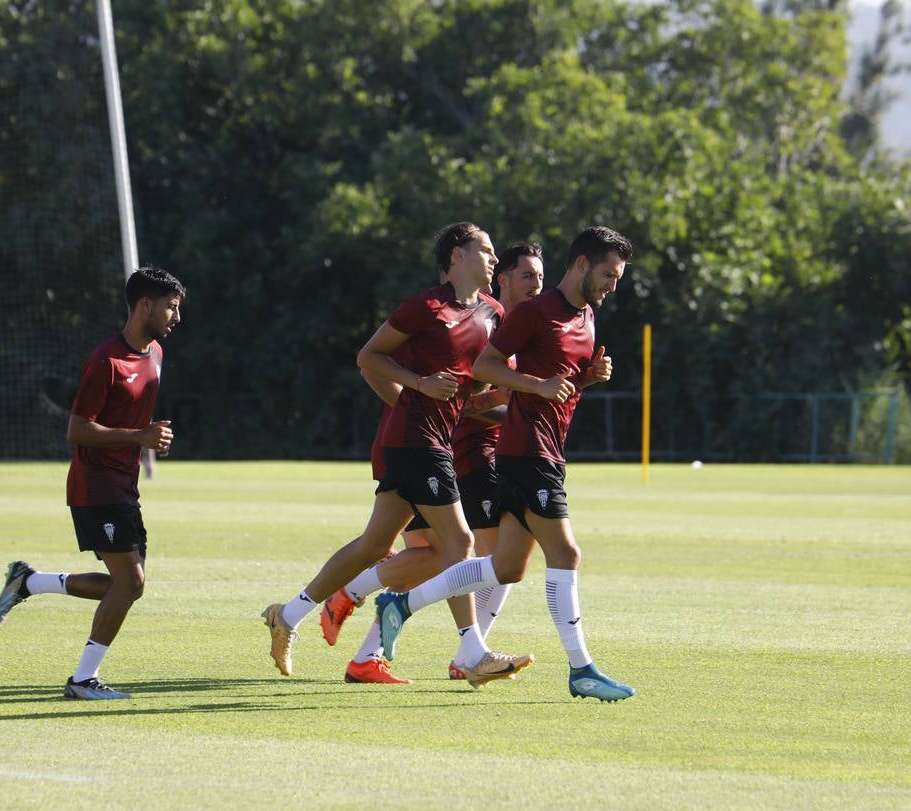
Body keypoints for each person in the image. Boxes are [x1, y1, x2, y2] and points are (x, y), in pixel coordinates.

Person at [260, 223, 534, 687]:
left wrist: (531, 396)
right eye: (484, 250)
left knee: (372, 546)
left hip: (431, 441)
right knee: (459, 543)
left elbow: (481, 388)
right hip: (415, 443)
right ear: (456, 256)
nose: (493, 258)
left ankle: (287, 615)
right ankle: (472, 652)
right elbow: (369, 357)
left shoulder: (492, 313)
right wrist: (419, 387)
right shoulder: (425, 307)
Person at [373, 226, 637, 702]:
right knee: (567, 554)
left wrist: (588, 381)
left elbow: (560, 388)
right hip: (525, 452)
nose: (612, 285)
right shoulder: (537, 313)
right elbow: (487, 367)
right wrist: (535, 386)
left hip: (548, 452)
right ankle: (582, 670)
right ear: (581, 264)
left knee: (508, 567)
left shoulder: (589, 317)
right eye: (608, 274)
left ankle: (401, 604)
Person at [0, 266, 183, 699]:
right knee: (130, 584)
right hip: (96, 486)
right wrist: (140, 436)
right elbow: (78, 430)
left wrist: (146, 434)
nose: (176, 317)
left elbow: (127, 420)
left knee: (123, 586)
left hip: (124, 486)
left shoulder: (155, 355)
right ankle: (82, 680)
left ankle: (29, 582)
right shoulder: (104, 361)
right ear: (144, 305)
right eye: (171, 307)